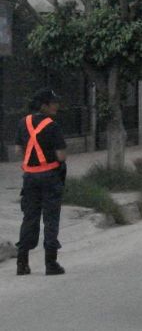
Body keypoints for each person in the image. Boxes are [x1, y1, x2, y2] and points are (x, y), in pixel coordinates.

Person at [15, 89, 67, 276]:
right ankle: (50, 263)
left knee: (29, 218)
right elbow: (61, 155)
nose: (57, 105)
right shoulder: (53, 126)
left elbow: (18, 150)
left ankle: (22, 262)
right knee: (51, 219)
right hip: (50, 177)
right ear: (44, 105)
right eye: (53, 102)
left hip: (29, 178)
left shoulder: (23, 122)